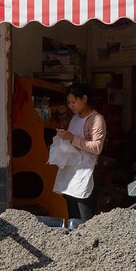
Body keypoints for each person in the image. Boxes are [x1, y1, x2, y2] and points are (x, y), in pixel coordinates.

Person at [53, 82, 105, 227]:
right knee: (73, 218)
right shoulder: (74, 118)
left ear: (84, 99)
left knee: (85, 220)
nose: (71, 106)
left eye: (74, 102)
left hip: (87, 173)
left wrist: (71, 138)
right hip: (71, 174)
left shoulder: (96, 119)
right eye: (69, 103)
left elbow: (96, 147)